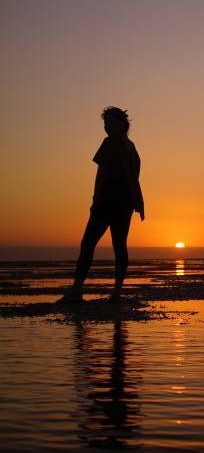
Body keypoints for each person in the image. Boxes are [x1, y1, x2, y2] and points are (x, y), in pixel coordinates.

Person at [58, 106, 145, 304]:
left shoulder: (110, 143)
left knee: (88, 244)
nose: (107, 127)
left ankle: (78, 291)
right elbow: (135, 179)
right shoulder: (132, 148)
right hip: (124, 205)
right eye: (105, 124)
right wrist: (138, 202)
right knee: (119, 246)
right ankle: (116, 292)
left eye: (110, 123)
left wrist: (95, 200)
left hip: (107, 203)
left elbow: (102, 174)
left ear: (122, 124)